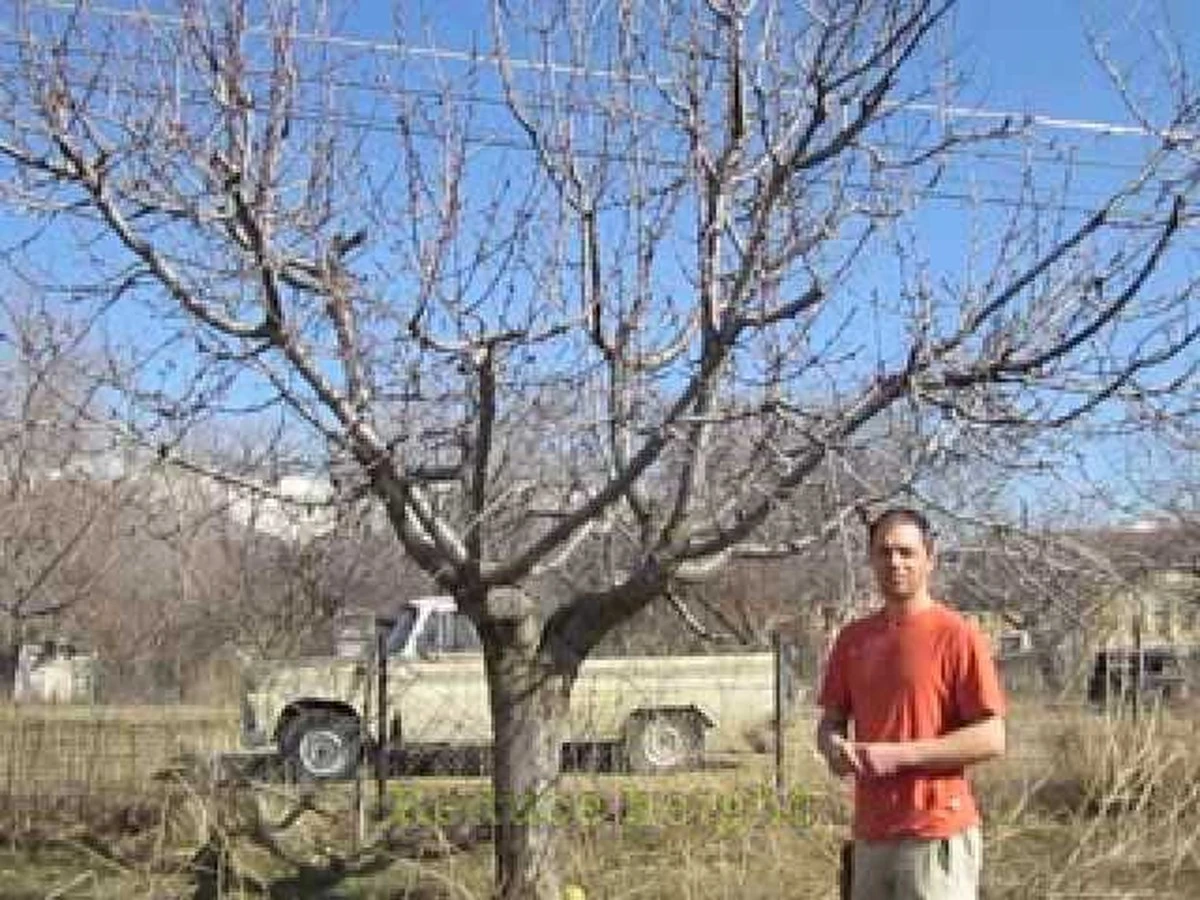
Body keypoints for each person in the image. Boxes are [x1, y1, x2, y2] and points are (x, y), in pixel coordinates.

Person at [816, 508, 1006, 900]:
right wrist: (832, 746)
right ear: (871, 559)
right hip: (871, 836)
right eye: (884, 552)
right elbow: (830, 720)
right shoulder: (853, 640)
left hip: (935, 832)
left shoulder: (957, 635)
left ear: (929, 559)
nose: (895, 562)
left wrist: (899, 756)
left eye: (906, 552)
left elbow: (992, 737)